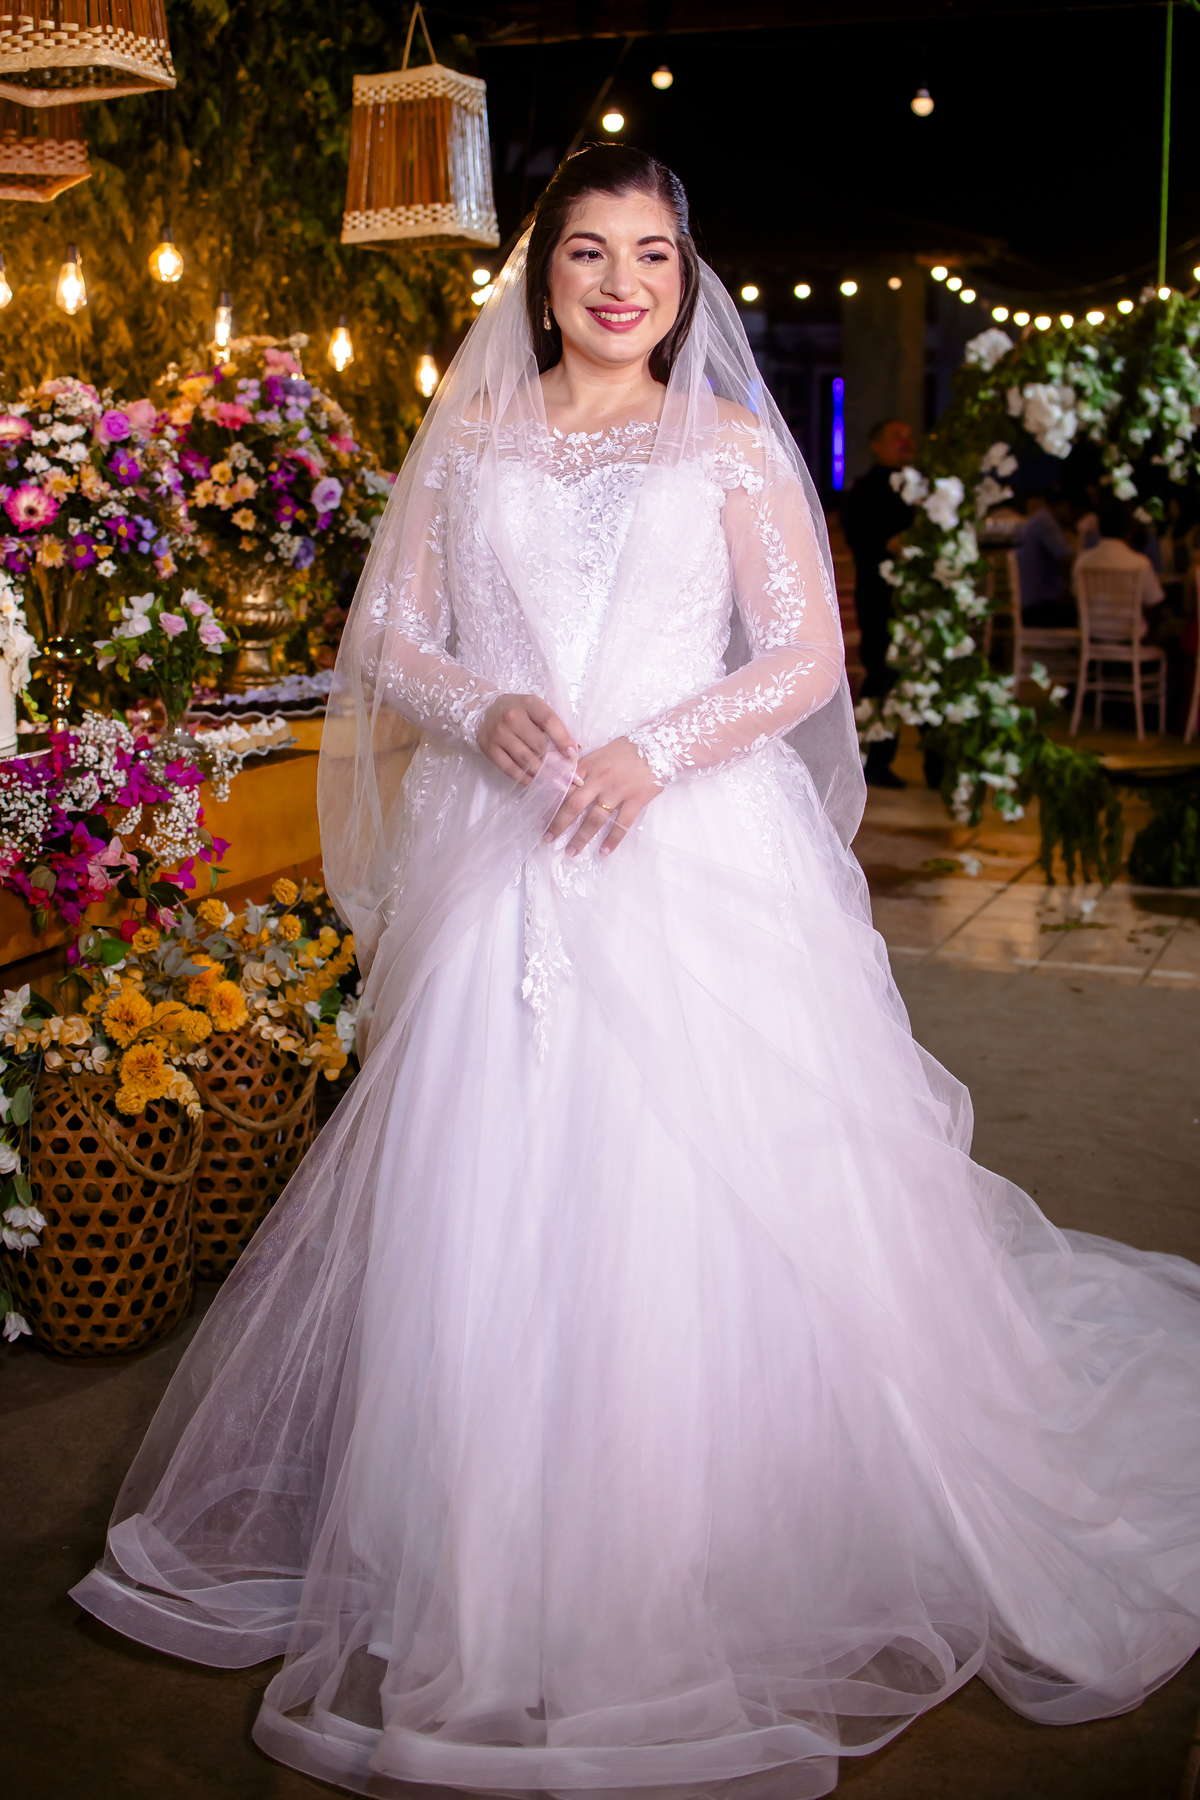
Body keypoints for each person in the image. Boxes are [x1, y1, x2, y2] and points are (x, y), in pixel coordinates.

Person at [71, 148, 1200, 1800]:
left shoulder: (733, 444)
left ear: (685, 281)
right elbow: (392, 635)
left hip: (685, 849)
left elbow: (809, 656)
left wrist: (655, 750)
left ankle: (698, 1525)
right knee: (493, 1183)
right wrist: (484, 709)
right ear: (543, 273)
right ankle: (498, 1525)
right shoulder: (477, 442)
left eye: (650, 257)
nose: (618, 283)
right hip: (512, 857)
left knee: (713, 1190)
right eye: (588, 252)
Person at [840, 417, 915, 787]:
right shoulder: (865, 490)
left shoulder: (919, 488)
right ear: (876, 444)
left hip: (915, 597)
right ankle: (872, 759)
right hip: (879, 595)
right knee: (883, 673)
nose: (905, 443)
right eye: (896, 437)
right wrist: (892, 545)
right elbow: (862, 539)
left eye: (908, 437)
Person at [1074, 497, 1165, 629]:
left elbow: (1076, 597)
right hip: (1131, 644)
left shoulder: (1081, 562)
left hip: (1092, 642)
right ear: (1130, 530)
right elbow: (1154, 606)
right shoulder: (1140, 564)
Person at [1015, 488, 1077, 626]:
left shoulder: (1039, 519)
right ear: (1064, 505)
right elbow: (1067, 559)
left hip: (1029, 604)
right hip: (1037, 607)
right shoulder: (1045, 522)